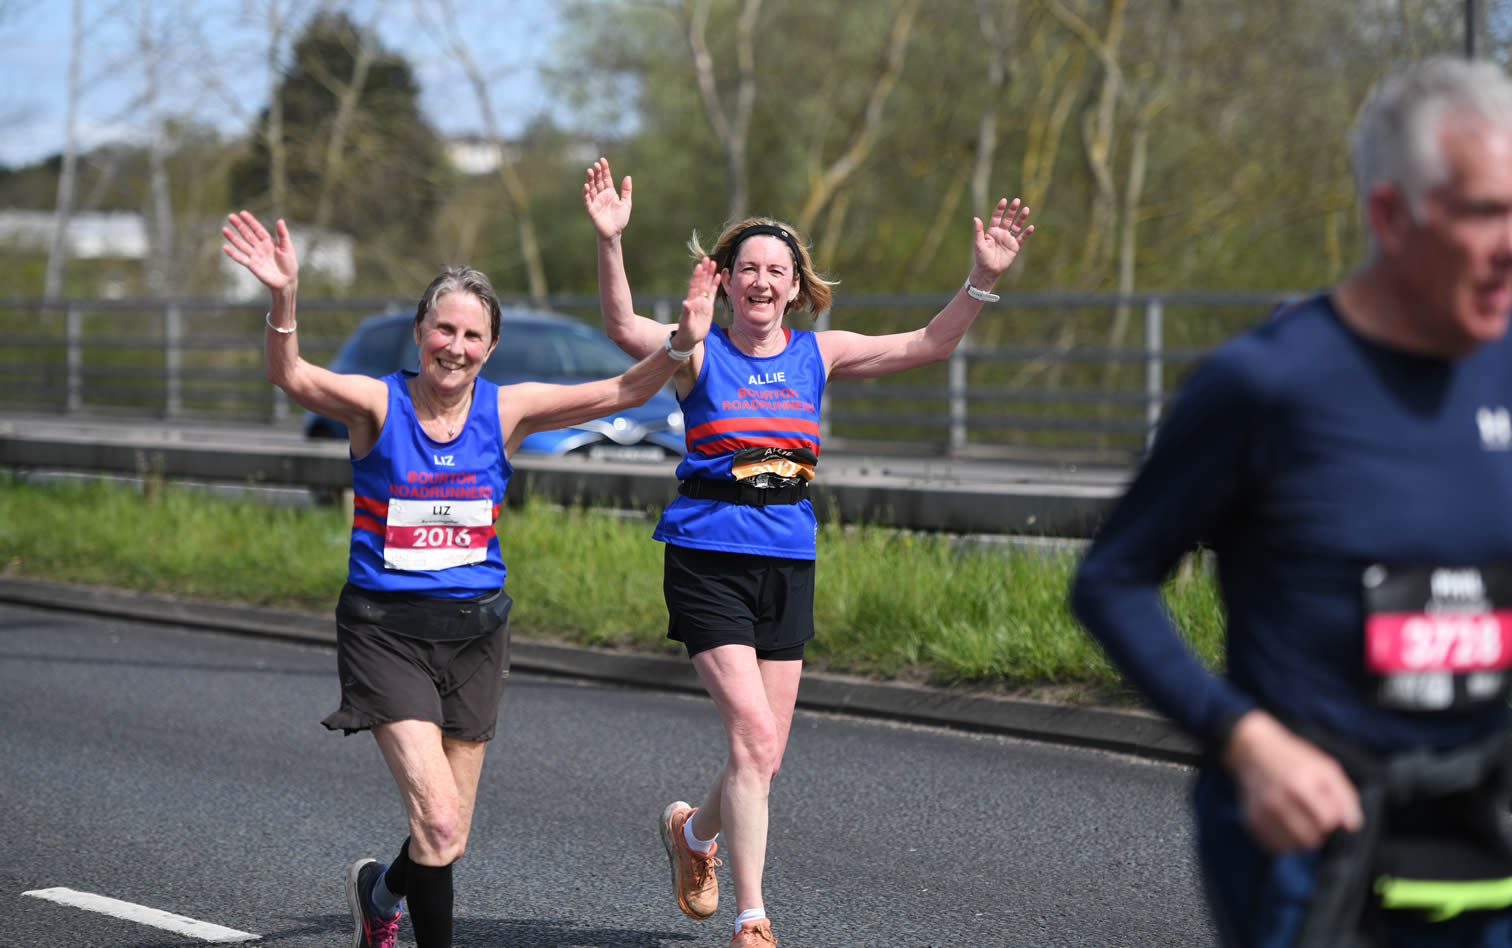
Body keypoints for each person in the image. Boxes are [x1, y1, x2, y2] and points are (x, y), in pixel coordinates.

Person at [1071, 56, 1512, 947]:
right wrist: (1246, 743)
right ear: (1391, 214)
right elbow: (1112, 581)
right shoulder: (1266, 385)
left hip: (1487, 819)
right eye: (1483, 211)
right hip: (1315, 845)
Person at [220, 210, 717, 948]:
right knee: (441, 822)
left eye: (472, 335)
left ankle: (378, 894)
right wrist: (285, 299)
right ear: (421, 333)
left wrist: (681, 341)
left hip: (476, 636)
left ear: (490, 348)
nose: (455, 347)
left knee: (444, 837)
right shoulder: (378, 404)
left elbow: (622, 392)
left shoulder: (506, 410)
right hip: (386, 634)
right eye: (443, 330)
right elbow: (288, 374)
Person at [583, 157, 1033, 946]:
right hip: (706, 556)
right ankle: (754, 920)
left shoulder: (817, 355)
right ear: (724, 281)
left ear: (796, 286)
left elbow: (928, 344)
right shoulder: (697, 349)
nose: (761, 280)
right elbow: (624, 329)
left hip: (787, 560)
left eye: (776, 270)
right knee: (752, 740)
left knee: (764, 754)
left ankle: (693, 836)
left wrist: (982, 278)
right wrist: (611, 242)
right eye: (747, 268)